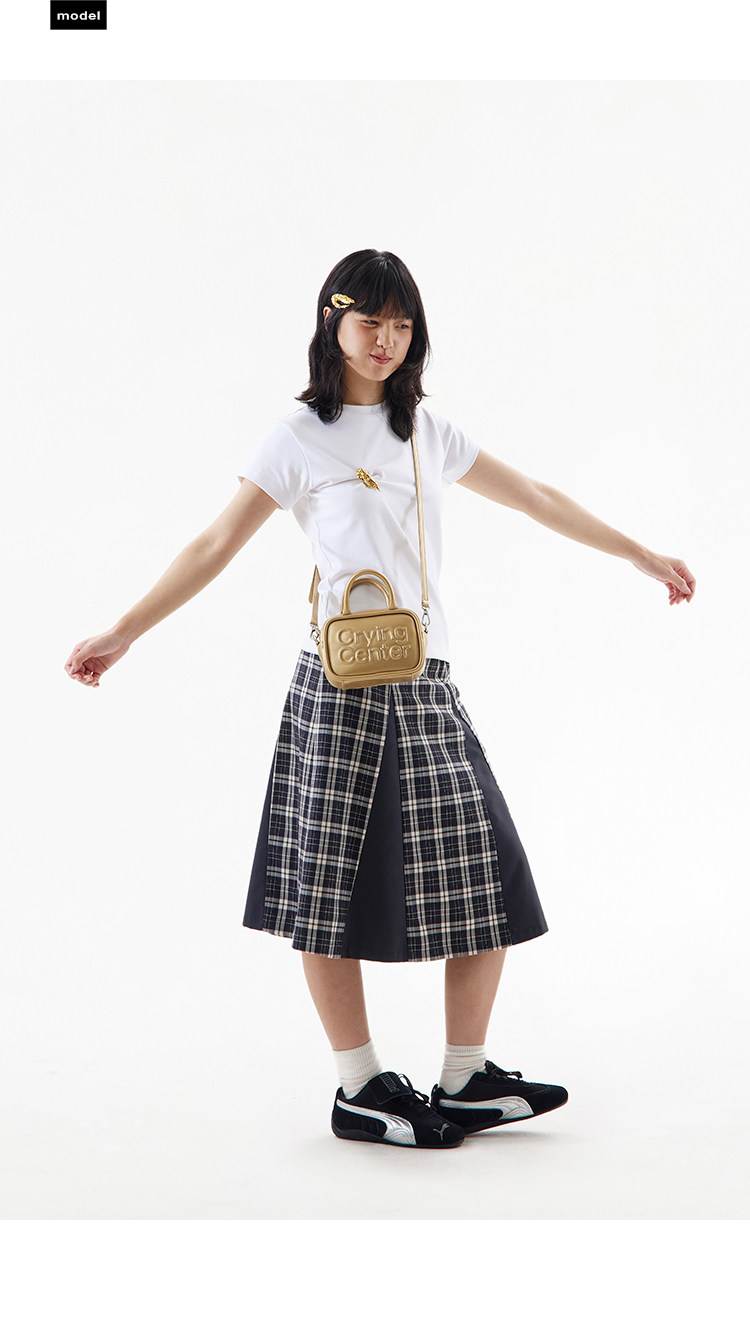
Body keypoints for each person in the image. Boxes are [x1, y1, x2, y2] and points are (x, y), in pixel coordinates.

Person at [64, 248, 696, 1151]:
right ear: (334, 322)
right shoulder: (298, 436)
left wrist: (641, 554)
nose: (386, 341)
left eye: (402, 326)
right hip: (339, 688)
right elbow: (214, 544)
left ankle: (464, 1077)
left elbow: (534, 497)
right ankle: (359, 1086)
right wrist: (124, 631)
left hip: (427, 683)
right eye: (371, 322)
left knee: (488, 874)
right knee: (327, 891)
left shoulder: (427, 431)